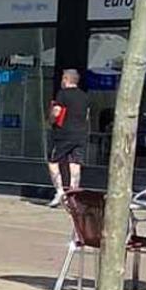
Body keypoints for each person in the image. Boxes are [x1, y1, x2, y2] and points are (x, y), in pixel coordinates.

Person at [48, 68, 89, 207]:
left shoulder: (63, 94)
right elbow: (87, 116)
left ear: (66, 79)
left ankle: (59, 192)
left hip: (63, 134)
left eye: (62, 78)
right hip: (80, 134)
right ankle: (73, 195)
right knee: (75, 164)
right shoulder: (84, 96)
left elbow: (56, 112)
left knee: (53, 162)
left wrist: (51, 119)